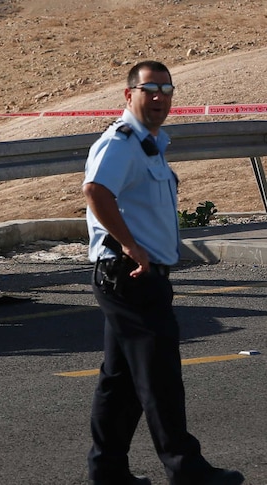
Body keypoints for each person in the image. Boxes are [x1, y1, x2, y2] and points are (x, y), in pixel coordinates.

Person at [83, 60, 244, 485]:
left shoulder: (149, 145)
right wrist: (133, 246)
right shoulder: (120, 142)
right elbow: (96, 191)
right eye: (149, 88)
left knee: (120, 383)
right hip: (128, 275)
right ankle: (185, 469)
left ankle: (107, 470)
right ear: (128, 94)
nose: (158, 97)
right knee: (160, 378)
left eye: (166, 89)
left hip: (139, 276)